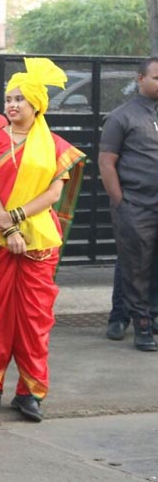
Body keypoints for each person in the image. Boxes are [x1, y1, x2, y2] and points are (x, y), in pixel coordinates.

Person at [0, 58, 86, 423]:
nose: (12, 105)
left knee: (34, 319)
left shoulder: (55, 146)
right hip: (0, 238)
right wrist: (7, 227)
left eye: (20, 99)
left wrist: (18, 218)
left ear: (37, 104)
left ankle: (31, 392)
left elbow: (54, 194)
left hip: (39, 241)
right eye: (9, 98)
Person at [99, 56, 158, 351]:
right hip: (135, 205)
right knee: (135, 265)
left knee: (150, 265)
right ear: (140, 79)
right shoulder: (122, 116)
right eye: (157, 77)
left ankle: (147, 317)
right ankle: (139, 324)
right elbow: (107, 163)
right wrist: (121, 203)